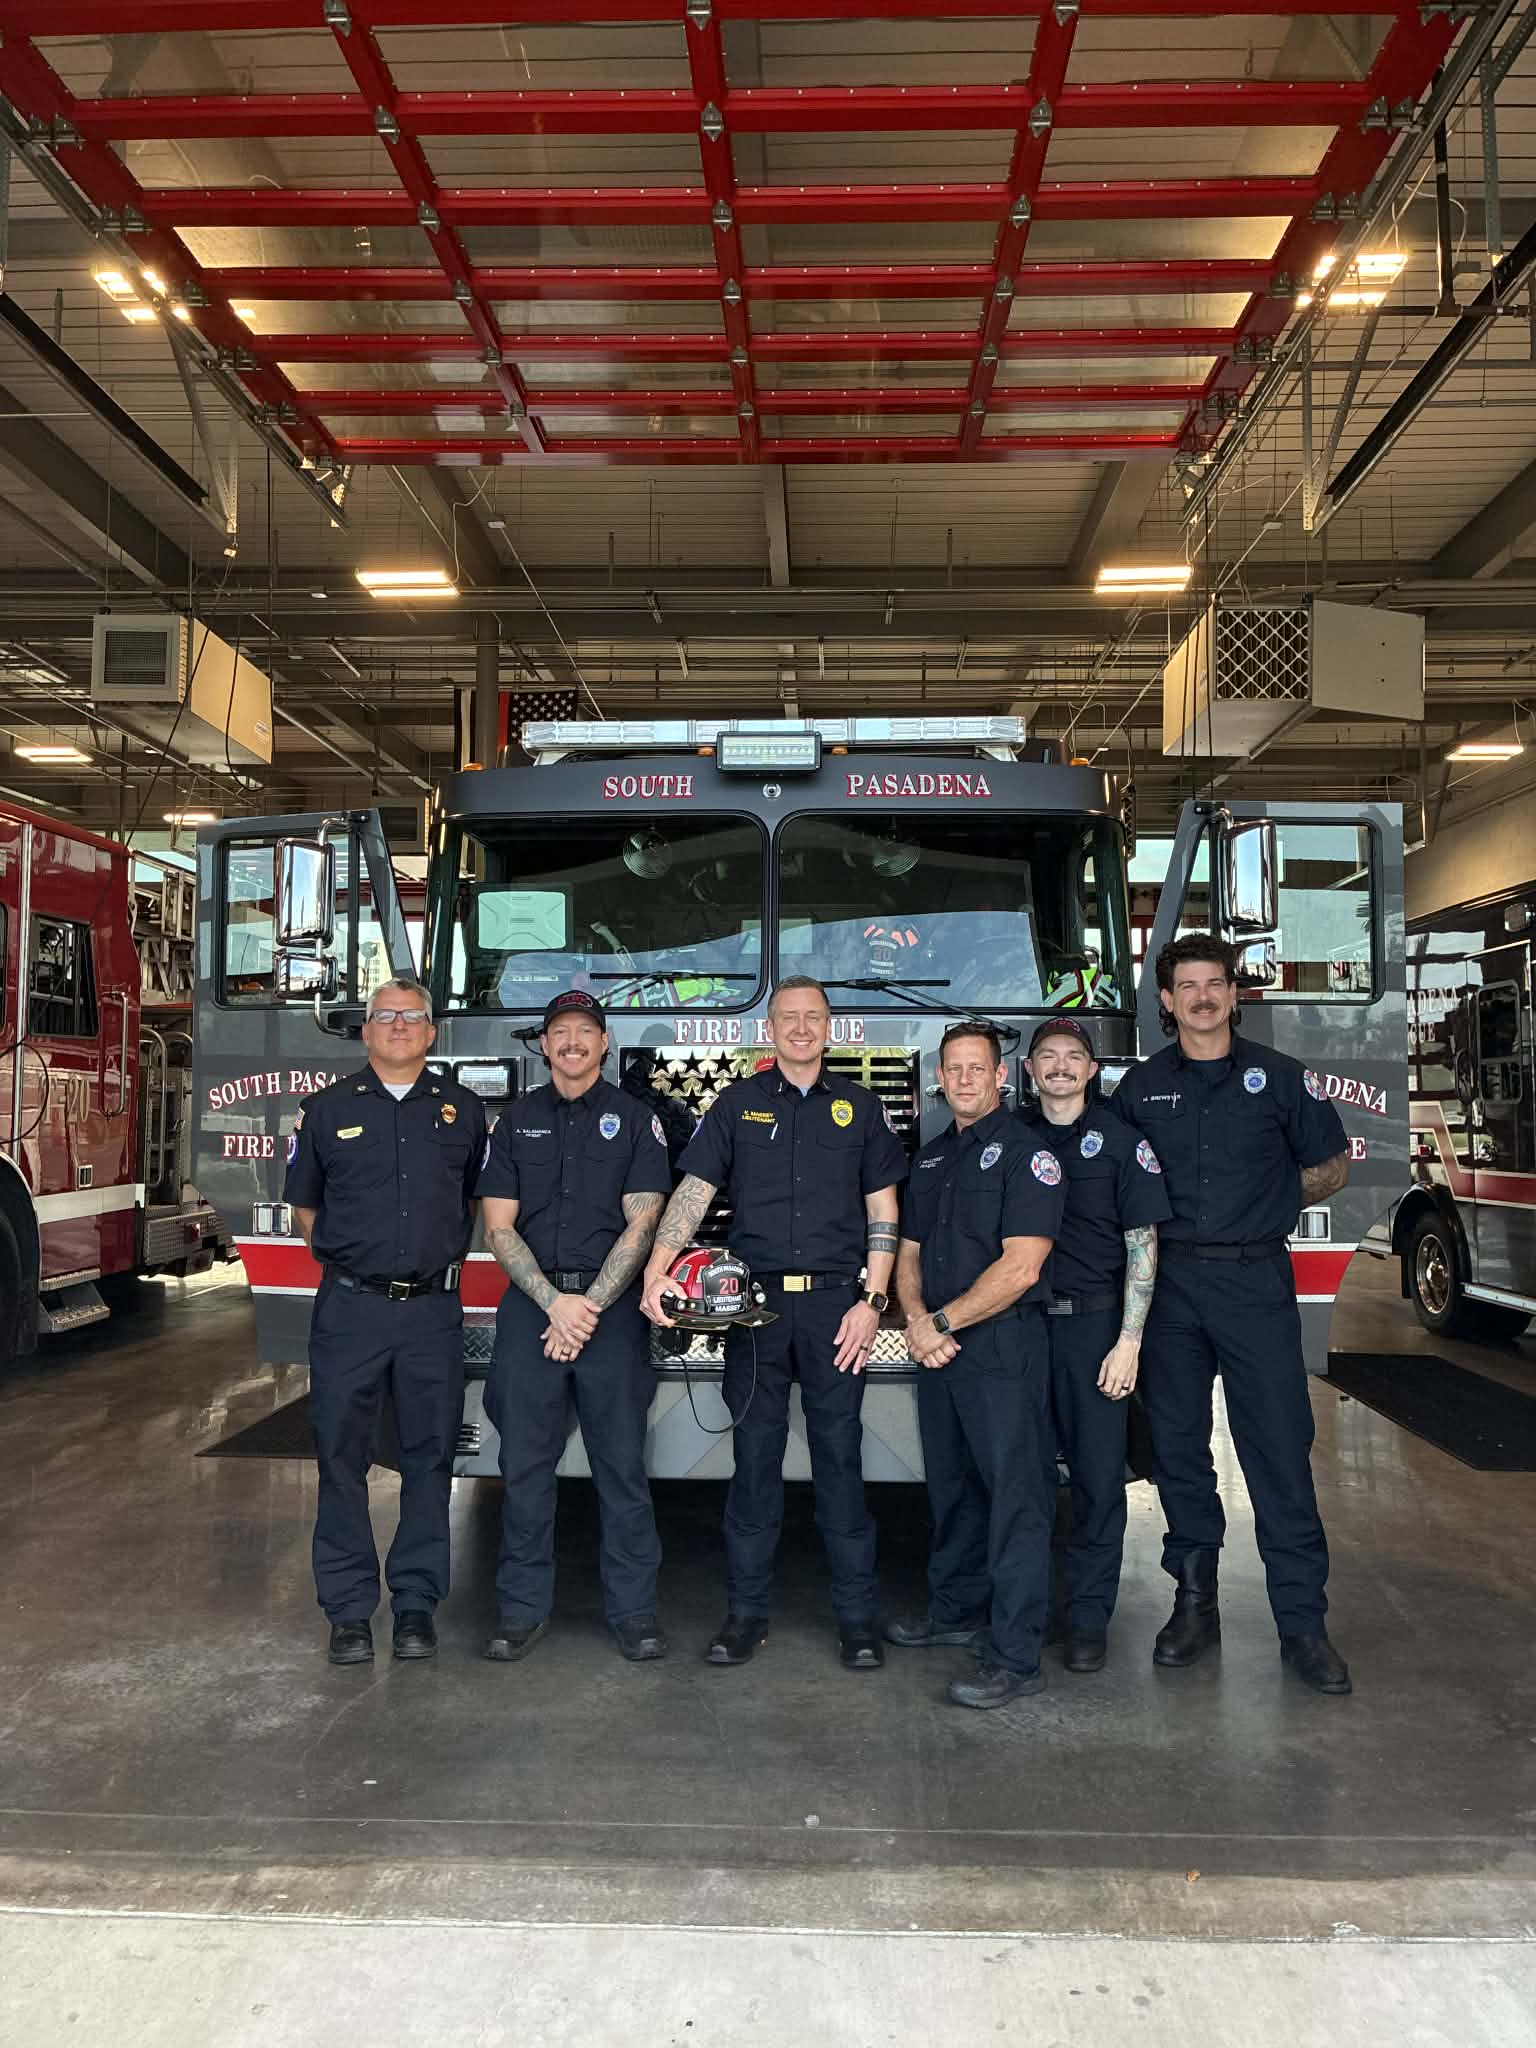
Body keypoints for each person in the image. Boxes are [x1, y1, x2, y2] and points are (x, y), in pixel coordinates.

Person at [640, 976, 907, 1670]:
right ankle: (745, 1616)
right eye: (787, 1017)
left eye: (811, 1017)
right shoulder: (737, 1105)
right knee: (753, 1469)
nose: (799, 1028)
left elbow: (884, 1212)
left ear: (830, 1027)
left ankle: (857, 1621)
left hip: (834, 1312)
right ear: (770, 1029)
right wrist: (657, 1268)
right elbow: (694, 1193)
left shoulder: (860, 1107)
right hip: (754, 1311)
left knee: (841, 1469)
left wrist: (871, 1301)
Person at [1114, 933, 1353, 1696]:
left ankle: (1303, 1627)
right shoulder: (1140, 1089)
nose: (1202, 998)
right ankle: (1194, 1607)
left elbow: (1332, 1161)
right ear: (1166, 999)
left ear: (1233, 993)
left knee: (1279, 1451)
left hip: (1255, 1283)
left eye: (1214, 983)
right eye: (1187, 986)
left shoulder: (1279, 1079)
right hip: (1173, 1289)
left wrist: (1278, 1203)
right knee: (1180, 1453)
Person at [283, 977, 487, 1667]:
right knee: (341, 1459)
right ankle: (347, 1614)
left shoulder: (464, 1112)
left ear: (432, 1033)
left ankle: (415, 1607)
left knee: (430, 1460)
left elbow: (471, 1204)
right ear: (365, 1032)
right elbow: (305, 1208)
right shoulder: (326, 1111)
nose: (399, 1026)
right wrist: (355, 1264)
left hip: (432, 1311)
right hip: (351, 1312)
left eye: (413, 1017)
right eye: (384, 1017)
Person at [477, 990, 672, 1663]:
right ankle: (521, 1611)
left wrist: (584, 1305)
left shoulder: (636, 1120)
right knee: (524, 1469)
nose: (572, 1042)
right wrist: (552, 1302)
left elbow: (643, 1221)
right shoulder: (514, 1124)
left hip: (607, 1315)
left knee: (622, 1470)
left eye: (585, 1031)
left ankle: (635, 1613)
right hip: (532, 1312)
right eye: (560, 1031)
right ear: (543, 1044)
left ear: (605, 1042)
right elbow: (499, 1226)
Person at [886, 1021, 1065, 1708]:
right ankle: (955, 1610)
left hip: (1002, 1350)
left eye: (976, 1069)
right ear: (940, 1077)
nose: (963, 1080)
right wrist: (919, 1321)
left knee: (1016, 1500)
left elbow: (1022, 1268)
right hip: (941, 1349)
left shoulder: (1029, 1155)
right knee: (953, 1489)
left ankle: (1016, 1655)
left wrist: (940, 1323)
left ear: (1000, 1077)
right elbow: (908, 1254)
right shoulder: (931, 1161)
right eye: (952, 1069)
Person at [1019, 1016, 1170, 1672]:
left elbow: (1143, 1245)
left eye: (1072, 1057)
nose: (1059, 1066)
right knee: (1018, 1480)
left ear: (1090, 1070)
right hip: (1019, 1328)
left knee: (1097, 1482)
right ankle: (1019, 1615)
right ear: (1029, 1071)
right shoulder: (1008, 1139)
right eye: (1046, 1056)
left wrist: (1129, 1343)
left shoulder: (1122, 1142)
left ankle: (1086, 1621)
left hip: (1094, 1332)